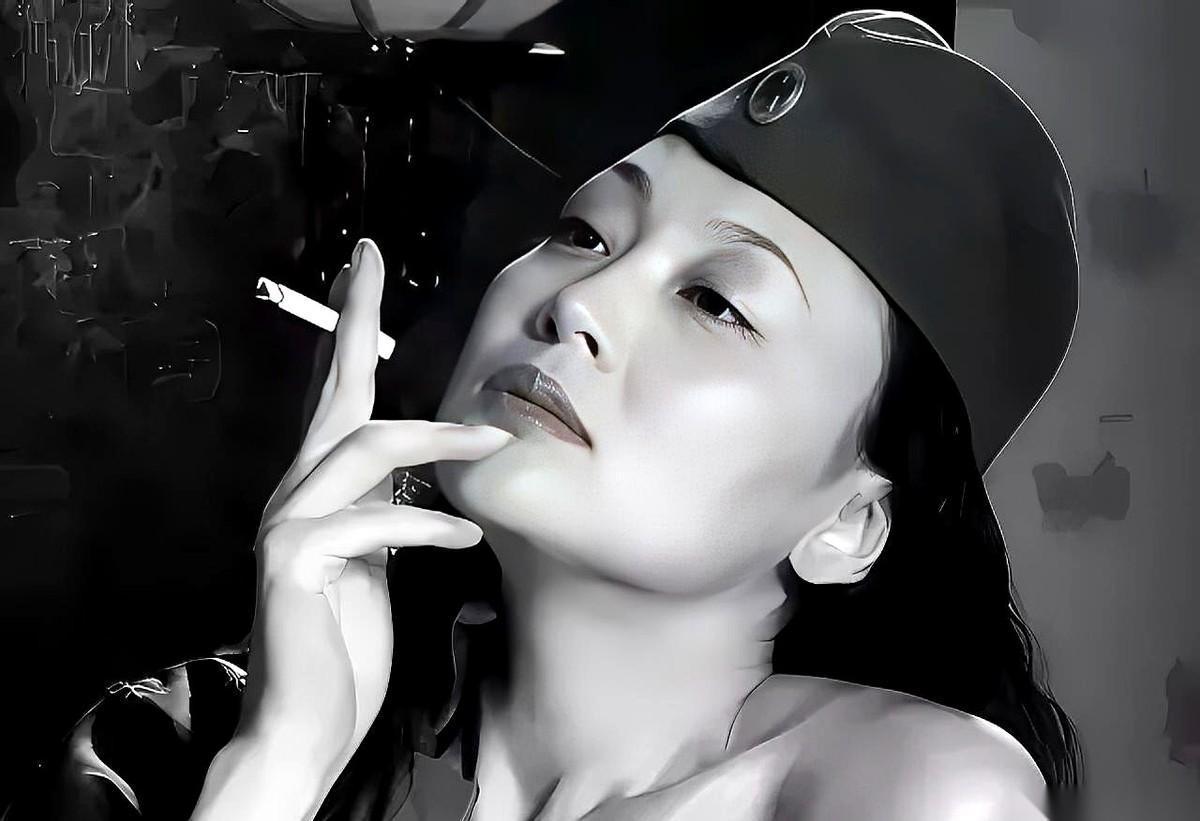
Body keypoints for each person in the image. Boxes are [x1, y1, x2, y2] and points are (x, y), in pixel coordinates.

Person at [6, 10, 1082, 821]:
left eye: (716, 302)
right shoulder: (167, 743)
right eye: (585, 233)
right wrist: (278, 763)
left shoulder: (909, 792)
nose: (580, 302)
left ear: (847, 523)